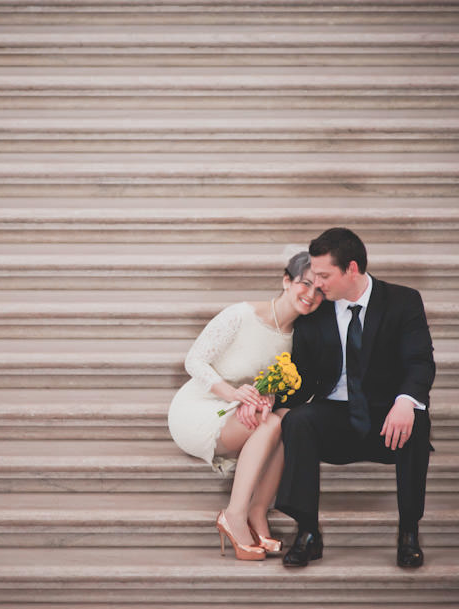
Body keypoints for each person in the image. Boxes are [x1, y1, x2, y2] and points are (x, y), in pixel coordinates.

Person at [276, 227, 435, 569]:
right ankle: (307, 532)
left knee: (417, 421)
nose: (316, 284)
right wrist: (272, 401)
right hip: (335, 415)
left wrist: (406, 401)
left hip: (387, 416)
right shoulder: (315, 311)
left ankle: (408, 532)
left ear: (351, 269)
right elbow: (302, 378)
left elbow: (419, 361)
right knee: (298, 421)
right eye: (313, 275)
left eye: (323, 275)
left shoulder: (402, 301)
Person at [168, 251, 323, 561]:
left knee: (286, 419)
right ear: (286, 280)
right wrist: (232, 394)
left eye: (320, 290)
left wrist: (267, 398)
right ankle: (234, 515)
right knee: (276, 424)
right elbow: (194, 360)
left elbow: (282, 386)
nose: (311, 295)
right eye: (305, 284)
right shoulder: (241, 314)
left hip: (241, 411)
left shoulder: (300, 337)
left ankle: (256, 512)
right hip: (199, 406)